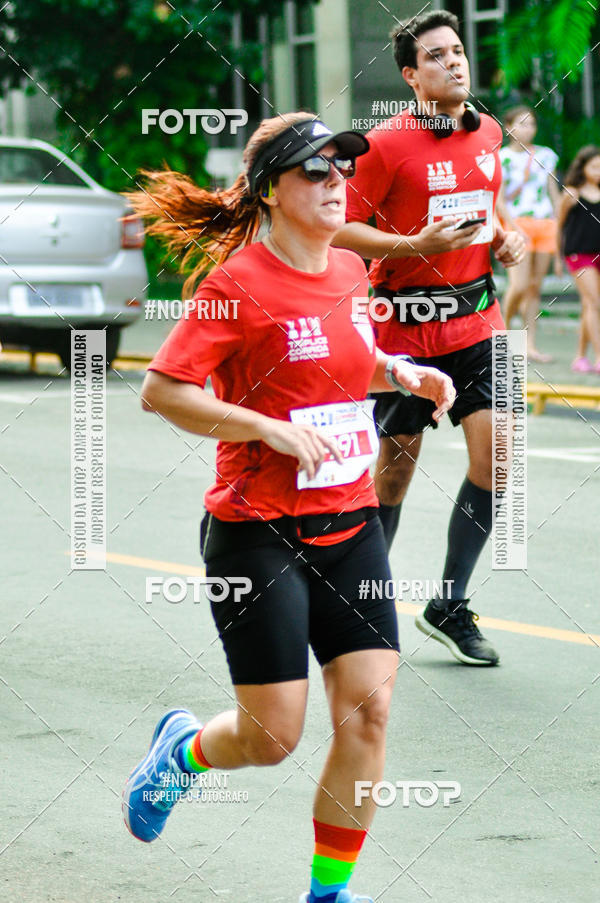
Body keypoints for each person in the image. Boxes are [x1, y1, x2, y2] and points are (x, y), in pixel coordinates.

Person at [120, 113, 455, 903]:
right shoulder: (234, 285)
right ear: (272, 189)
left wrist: (401, 374)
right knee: (272, 736)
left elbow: (343, 365)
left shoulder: (347, 271)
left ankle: (327, 894)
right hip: (257, 534)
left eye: (343, 168)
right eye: (316, 171)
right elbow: (161, 390)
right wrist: (262, 425)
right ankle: (182, 752)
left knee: (369, 714)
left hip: (351, 526)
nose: (337, 182)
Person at [334, 10, 525, 667]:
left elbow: (487, 200)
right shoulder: (384, 145)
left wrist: (505, 234)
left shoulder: (489, 131)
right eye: (437, 56)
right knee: (394, 473)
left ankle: (448, 601)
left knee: (498, 455)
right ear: (413, 77)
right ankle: (368, 598)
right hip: (404, 331)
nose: (454, 62)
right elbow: (341, 229)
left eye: (458, 51)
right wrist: (412, 244)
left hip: (479, 320)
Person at [500, 106, 561, 362]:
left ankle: (530, 345)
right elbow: (498, 200)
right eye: (522, 123)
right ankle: (503, 332)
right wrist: (515, 227)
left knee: (535, 288)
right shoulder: (501, 157)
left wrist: (558, 226)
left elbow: (553, 192)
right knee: (520, 284)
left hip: (544, 224)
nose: (528, 129)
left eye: (531, 124)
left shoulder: (546, 156)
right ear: (509, 128)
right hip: (516, 225)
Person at [556, 145, 600, 373]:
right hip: (578, 254)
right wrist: (556, 258)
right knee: (594, 303)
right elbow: (559, 225)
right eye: (594, 166)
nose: (598, 171)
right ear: (583, 167)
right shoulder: (572, 193)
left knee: (588, 305)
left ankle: (581, 357)